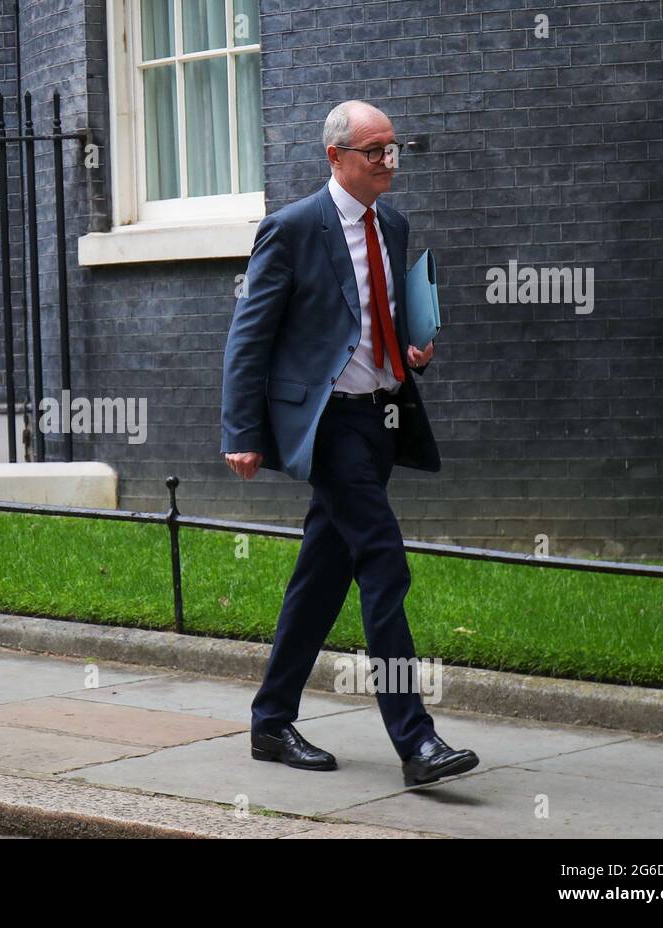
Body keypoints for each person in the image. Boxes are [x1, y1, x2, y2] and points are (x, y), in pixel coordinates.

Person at [220, 100, 479, 787]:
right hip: (328, 425)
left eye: (394, 148)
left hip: (380, 420)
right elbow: (251, 335)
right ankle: (416, 743)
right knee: (384, 564)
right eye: (374, 150)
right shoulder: (293, 228)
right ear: (335, 158)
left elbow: (380, 316)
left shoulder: (390, 224)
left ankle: (271, 722)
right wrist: (242, 431)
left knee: (322, 574)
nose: (388, 161)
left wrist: (411, 348)